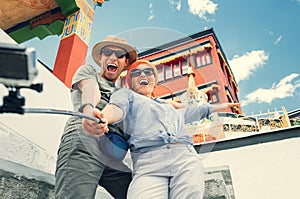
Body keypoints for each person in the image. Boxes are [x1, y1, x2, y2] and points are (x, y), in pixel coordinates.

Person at [95, 60, 239, 199]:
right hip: (148, 162)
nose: (143, 75)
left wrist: (222, 106)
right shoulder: (126, 96)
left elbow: (194, 111)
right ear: (130, 81)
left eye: (148, 71)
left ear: (154, 80)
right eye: (136, 73)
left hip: (184, 156)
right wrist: (104, 117)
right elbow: (116, 108)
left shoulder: (169, 107)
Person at [55, 35, 137, 199]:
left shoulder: (123, 95)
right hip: (85, 138)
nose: (113, 57)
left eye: (119, 54)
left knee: (141, 193)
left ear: (126, 62)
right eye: (107, 52)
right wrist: (89, 110)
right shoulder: (88, 71)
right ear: (101, 58)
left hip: (112, 152)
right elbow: (90, 89)